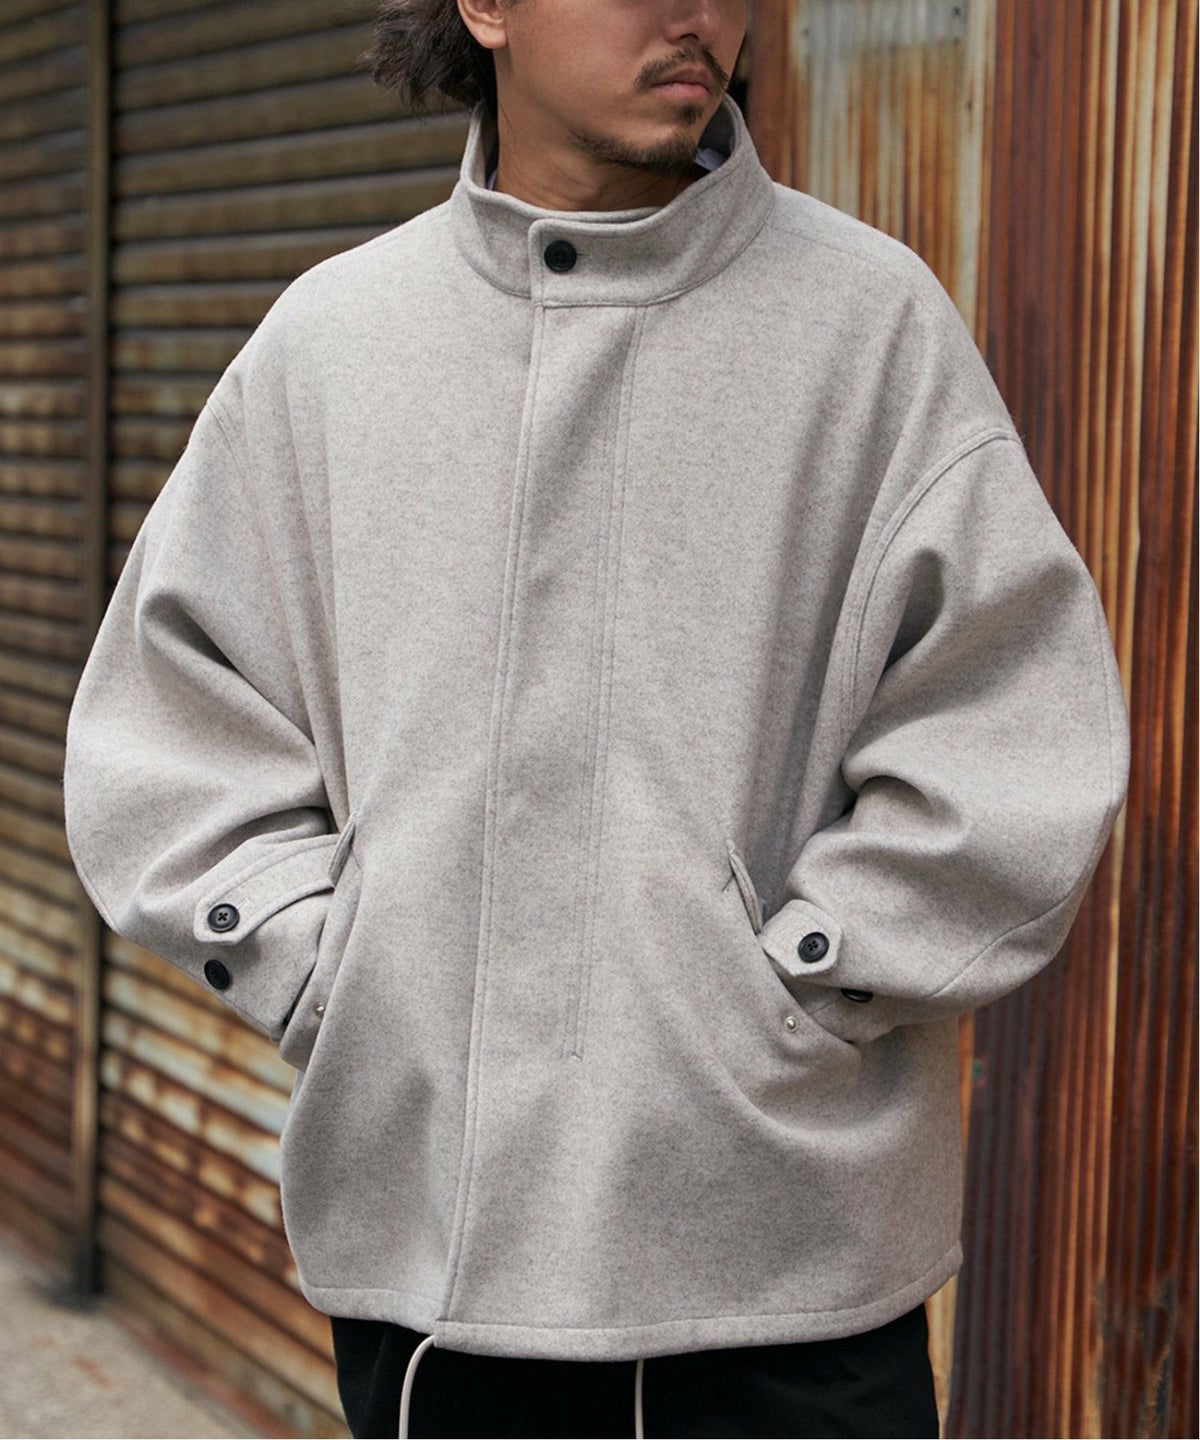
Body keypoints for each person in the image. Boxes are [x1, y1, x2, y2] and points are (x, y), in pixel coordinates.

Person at [61, 0, 1131, 1436]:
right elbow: (174, 721)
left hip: (789, 1286)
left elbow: (1010, 729)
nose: (698, 14)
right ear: (486, 7)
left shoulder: (870, 328)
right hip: (435, 1283)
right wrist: (329, 973)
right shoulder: (333, 344)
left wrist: (802, 983)